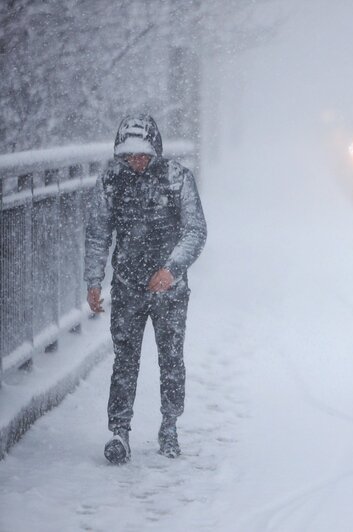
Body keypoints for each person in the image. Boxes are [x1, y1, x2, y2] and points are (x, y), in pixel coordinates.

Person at [84, 114, 207, 463]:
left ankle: (169, 425)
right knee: (125, 360)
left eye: (142, 154)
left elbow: (195, 231)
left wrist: (171, 269)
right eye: (129, 155)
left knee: (171, 359)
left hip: (170, 290)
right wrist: (93, 280)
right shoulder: (111, 180)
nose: (136, 161)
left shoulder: (178, 178)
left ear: (156, 150)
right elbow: (98, 233)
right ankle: (119, 432)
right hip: (127, 286)